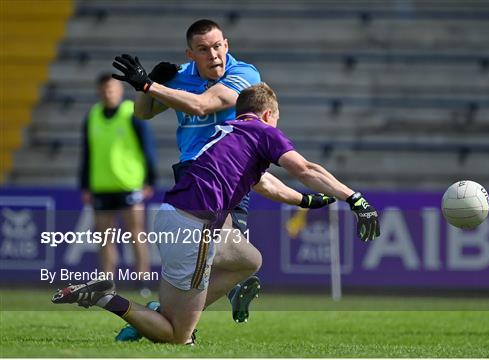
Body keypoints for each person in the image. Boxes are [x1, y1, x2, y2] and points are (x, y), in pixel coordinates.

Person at [53, 83, 381, 345]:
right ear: (268, 115)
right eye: (277, 119)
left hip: (174, 216)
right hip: (195, 226)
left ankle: (164, 308)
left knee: (249, 260)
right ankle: (107, 298)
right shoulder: (264, 132)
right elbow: (305, 168)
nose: (277, 126)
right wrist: (354, 198)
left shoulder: (228, 131)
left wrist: (305, 202)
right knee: (176, 335)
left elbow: (266, 184)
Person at [109, 19, 333, 335]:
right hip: (193, 173)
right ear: (190, 54)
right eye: (203, 49)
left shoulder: (245, 75)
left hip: (231, 174)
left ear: (226, 44)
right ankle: (174, 318)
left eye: (217, 46)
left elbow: (203, 106)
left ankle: (166, 317)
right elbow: (143, 113)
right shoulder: (179, 78)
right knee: (229, 257)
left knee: (232, 257)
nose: (214, 54)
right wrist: (146, 87)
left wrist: (148, 85)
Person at [80, 73, 157, 296]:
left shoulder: (131, 113)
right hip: (101, 186)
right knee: (104, 238)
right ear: (99, 91)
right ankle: (107, 284)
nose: (108, 93)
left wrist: (149, 180)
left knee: (136, 234)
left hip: (129, 184)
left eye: (112, 89)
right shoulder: (92, 116)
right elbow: (87, 153)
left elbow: (148, 148)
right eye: (104, 89)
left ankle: (142, 282)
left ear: (120, 90)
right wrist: (85, 185)